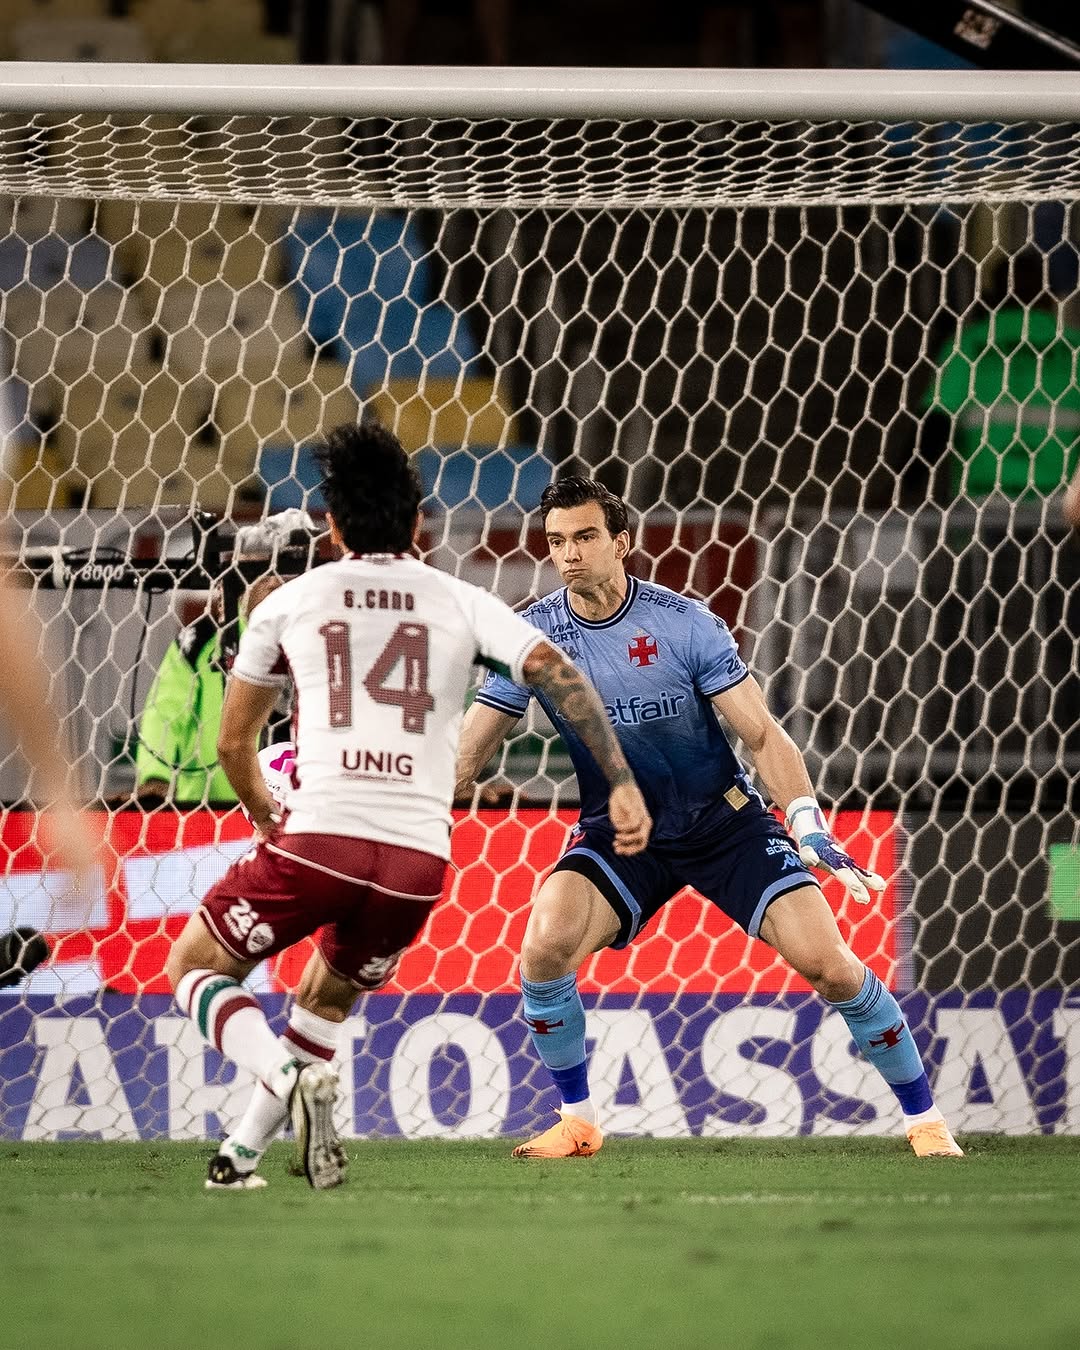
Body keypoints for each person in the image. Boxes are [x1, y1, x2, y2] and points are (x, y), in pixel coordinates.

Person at [164, 423, 650, 1191]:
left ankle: (285, 1078)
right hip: (419, 864)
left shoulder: (291, 602)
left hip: (321, 839)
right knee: (324, 999)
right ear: (419, 520)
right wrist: (620, 781)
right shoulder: (460, 599)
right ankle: (240, 1159)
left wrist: (265, 815)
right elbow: (557, 672)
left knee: (193, 966)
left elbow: (233, 745)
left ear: (331, 525)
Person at [455, 475, 964, 1160]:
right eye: (556, 542)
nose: (569, 554)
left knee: (830, 965)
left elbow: (762, 736)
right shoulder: (533, 638)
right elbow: (471, 748)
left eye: (584, 537)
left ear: (621, 542)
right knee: (545, 944)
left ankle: (926, 1121)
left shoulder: (685, 624)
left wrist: (809, 824)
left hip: (725, 826)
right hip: (622, 832)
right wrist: (421, 797)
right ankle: (577, 1121)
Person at [133, 511, 312, 808]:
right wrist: (156, 777)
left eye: (282, 572)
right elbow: (165, 712)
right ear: (240, 578)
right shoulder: (201, 640)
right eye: (258, 572)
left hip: (302, 808)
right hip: (211, 810)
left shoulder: (321, 635)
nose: (270, 582)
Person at [919, 250, 1080, 505]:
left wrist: (905, 486)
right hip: (1059, 504)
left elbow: (937, 421)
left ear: (993, 296)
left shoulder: (970, 344)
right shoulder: (1074, 348)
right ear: (1050, 296)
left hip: (983, 502)